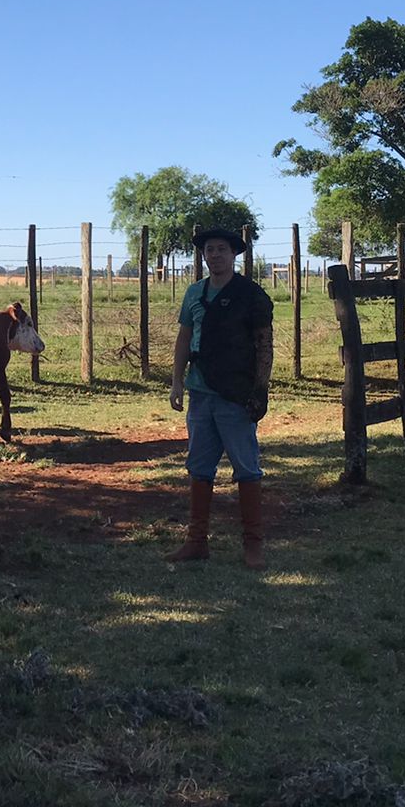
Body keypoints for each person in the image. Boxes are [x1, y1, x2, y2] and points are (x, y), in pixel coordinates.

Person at [167, 227, 275, 568]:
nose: (214, 255)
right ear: (203, 256)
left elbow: (264, 344)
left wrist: (260, 389)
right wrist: (176, 382)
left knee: (246, 466)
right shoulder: (194, 294)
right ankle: (196, 542)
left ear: (234, 255)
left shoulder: (250, 295)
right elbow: (184, 339)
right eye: (209, 250)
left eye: (221, 250)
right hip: (200, 393)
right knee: (199, 467)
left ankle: (253, 545)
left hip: (235, 394)